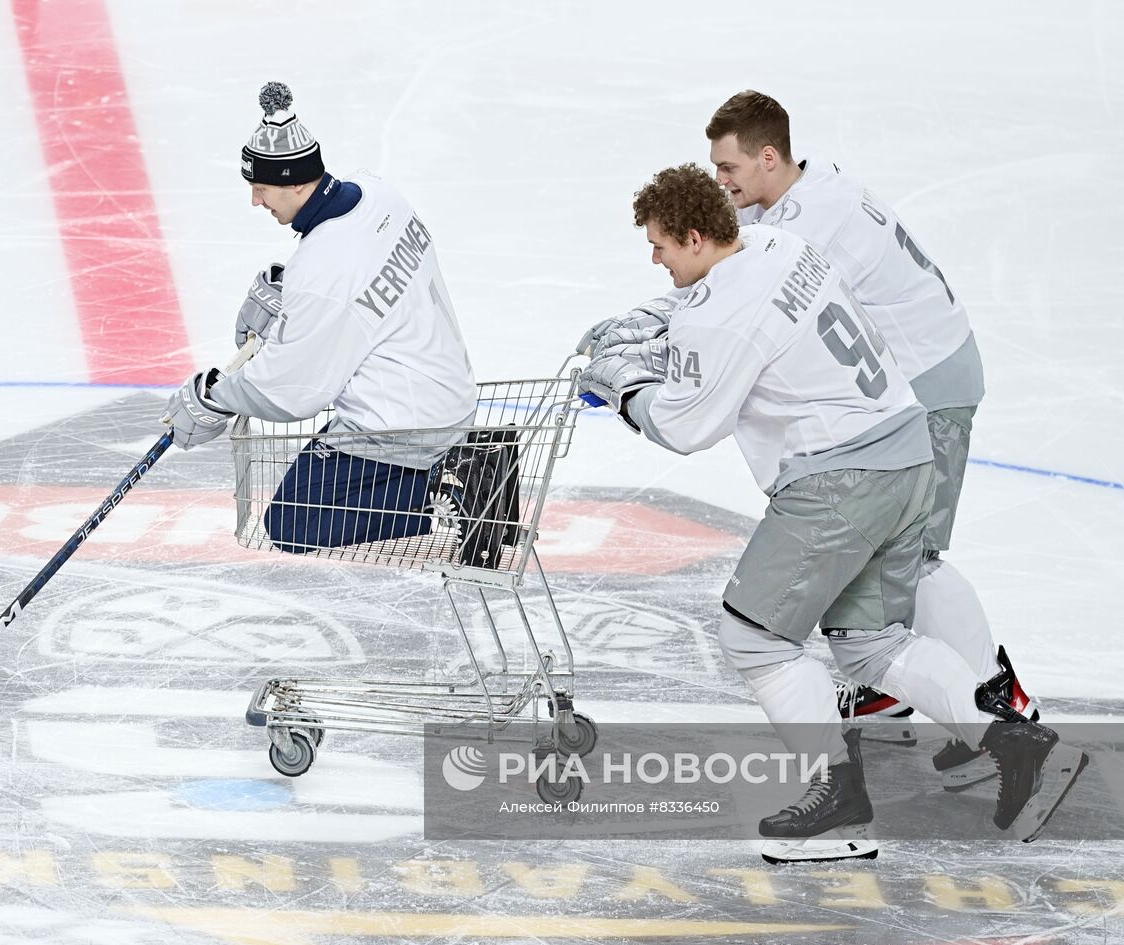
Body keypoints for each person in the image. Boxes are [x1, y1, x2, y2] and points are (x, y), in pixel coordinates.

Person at [576, 163, 1086, 862]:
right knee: (871, 643)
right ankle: (1008, 735)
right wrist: (662, 321)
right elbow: (726, 314)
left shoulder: (724, 316)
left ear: (696, 236)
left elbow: (689, 425)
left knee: (754, 638)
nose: (654, 258)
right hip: (906, 453)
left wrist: (625, 384)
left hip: (840, 480)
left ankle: (836, 800)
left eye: (661, 245)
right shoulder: (778, 246)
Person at [700, 91, 1037, 788]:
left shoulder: (806, 225)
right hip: (927, 372)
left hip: (930, 383)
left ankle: (1002, 701)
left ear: (769, 157)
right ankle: (897, 690)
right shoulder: (810, 187)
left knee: (915, 556)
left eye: (729, 167)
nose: (721, 182)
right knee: (888, 552)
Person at [164, 82, 498, 561]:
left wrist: (214, 394)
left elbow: (291, 391)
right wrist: (289, 295)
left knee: (293, 522)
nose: (256, 201)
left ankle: (447, 485)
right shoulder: (379, 194)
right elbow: (356, 280)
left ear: (297, 182)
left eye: (261, 188)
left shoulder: (322, 270)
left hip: (398, 426)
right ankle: (459, 468)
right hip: (446, 394)